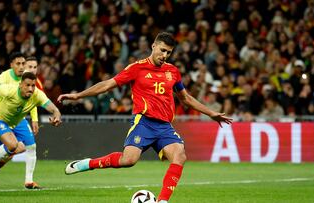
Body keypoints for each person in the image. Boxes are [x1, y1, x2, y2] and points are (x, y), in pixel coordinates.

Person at [58, 32, 232, 203]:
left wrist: (211, 113)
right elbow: (108, 84)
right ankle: (88, 164)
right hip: (144, 122)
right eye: (162, 50)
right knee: (128, 160)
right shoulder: (136, 68)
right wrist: (78, 96)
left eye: (169, 53)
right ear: (153, 46)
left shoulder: (173, 72)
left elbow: (185, 98)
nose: (165, 55)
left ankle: (162, 201)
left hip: (164, 126)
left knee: (180, 156)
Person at [0, 71, 61, 191]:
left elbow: (55, 109)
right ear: (20, 85)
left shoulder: (38, 94)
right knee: (12, 145)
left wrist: (56, 116)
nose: (31, 89)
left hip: (16, 122)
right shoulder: (10, 90)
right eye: (27, 85)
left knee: (25, 147)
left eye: (33, 86)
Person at [0, 53, 45, 190]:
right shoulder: (4, 77)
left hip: (19, 118)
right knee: (0, 150)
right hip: (0, 117)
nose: (26, 68)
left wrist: (34, 119)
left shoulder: (32, 81)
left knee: (29, 147)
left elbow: (34, 101)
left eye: (32, 66)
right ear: (12, 65)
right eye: (21, 64)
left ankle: (28, 181)